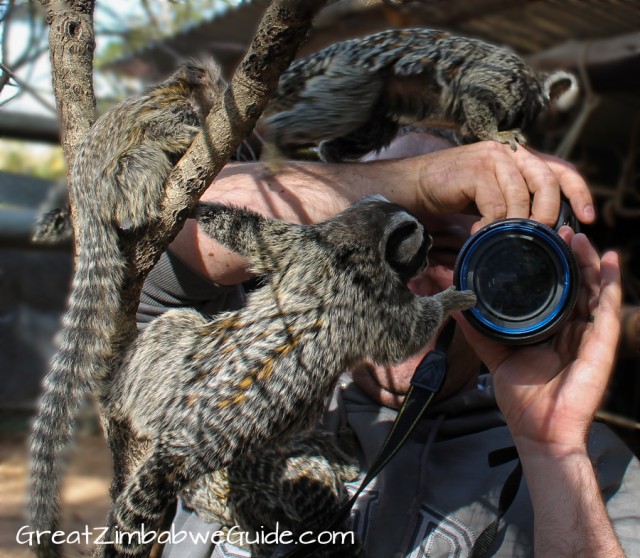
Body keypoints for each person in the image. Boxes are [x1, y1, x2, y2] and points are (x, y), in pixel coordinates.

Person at [137, 133, 640, 557]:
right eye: (370, 252)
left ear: (491, 279)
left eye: (439, 252)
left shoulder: (593, 471)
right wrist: (412, 183)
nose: (402, 280)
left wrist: (552, 454)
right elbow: (172, 222)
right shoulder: (232, 366)